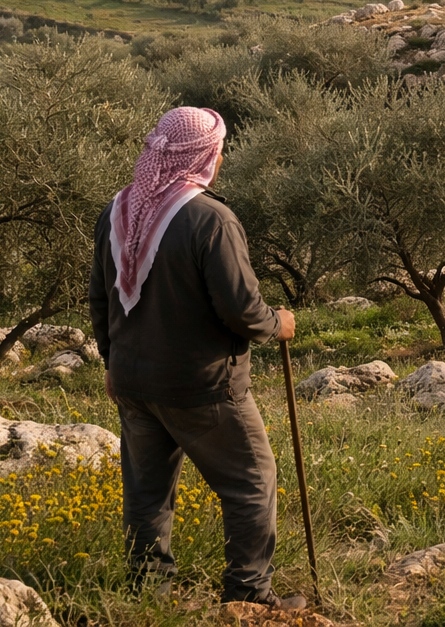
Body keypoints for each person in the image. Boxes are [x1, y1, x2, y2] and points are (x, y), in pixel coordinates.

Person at [89, 107, 305, 610]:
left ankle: (148, 596)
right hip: (201, 387)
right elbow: (242, 312)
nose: (222, 154)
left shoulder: (118, 210)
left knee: (147, 493)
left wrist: (110, 361)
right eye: (219, 147)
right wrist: (279, 322)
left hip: (133, 383)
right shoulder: (212, 219)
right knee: (252, 483)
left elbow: (100, 299)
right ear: (206, 155)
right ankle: (248, 596)